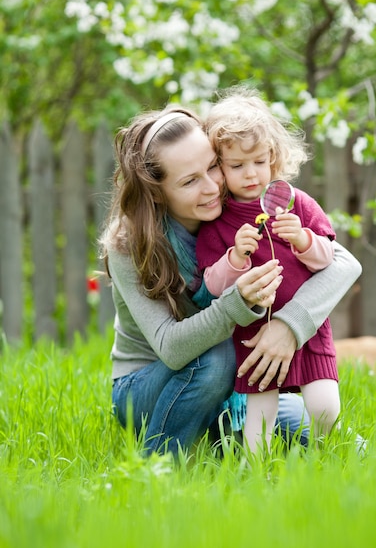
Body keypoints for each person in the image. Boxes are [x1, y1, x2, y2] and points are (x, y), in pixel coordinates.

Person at [100, 104, 362, 458]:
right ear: (158, 192)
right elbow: (172, 348)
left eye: (212, 167)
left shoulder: (239, 206)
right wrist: (236, 305)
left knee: (341, 444)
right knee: (218, 357)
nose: (211, 188)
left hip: (231, 384)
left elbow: (343, 263)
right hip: (147, 384)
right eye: (190, 181)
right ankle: (159, 466)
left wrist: (289, 326)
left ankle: (218, 442)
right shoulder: (129, 243)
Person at [196, 86, 344, 452]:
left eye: (259, 162)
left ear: (273, 157)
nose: (251, 174)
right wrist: (235, 258)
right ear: (218, 167)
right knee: (258, 421)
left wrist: (305, 240)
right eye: (237, 165)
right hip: (255, 336)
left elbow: (330, 259)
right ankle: (255, 471)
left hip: (307, 331)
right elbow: (212, 285)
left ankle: (324, 461)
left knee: (325, 408)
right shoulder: (219, 222)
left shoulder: (298, 203)